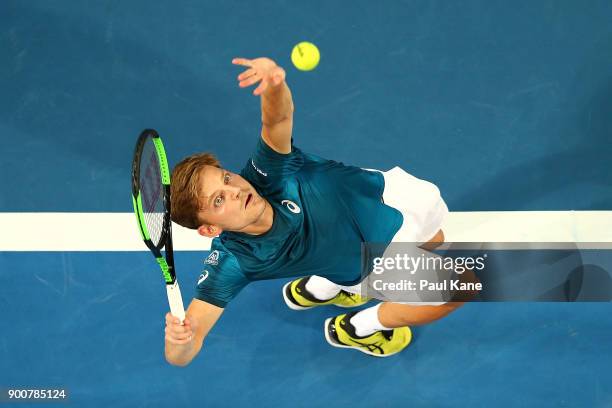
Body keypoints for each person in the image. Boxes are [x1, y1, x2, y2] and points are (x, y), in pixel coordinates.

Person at [163, 56, 464, 365]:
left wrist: (274, 87)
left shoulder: (269, 170)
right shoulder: (235, 261)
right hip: (375, 263)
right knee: (460, 288)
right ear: (210, 229)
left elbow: (276, 121)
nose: (236, 190)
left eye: (226, 178)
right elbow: (183, 352)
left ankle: (325, 286)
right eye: (218, 200)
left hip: (387, 192)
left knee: (435, 238)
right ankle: (359, 327)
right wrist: (180, 340)